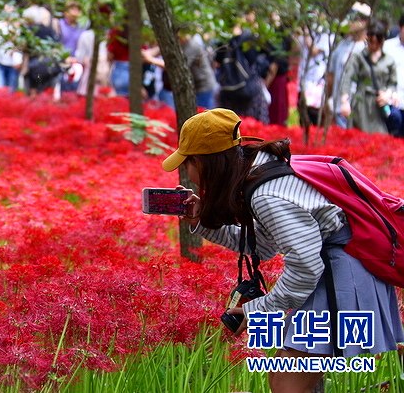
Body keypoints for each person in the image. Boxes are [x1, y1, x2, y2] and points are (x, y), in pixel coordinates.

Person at [163, 108, 404, 393]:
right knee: (289, 380)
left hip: (341, 273)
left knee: (287, 384)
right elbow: (264, 246)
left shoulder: (266, 194)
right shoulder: (258, 171)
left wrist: (257, 310)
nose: (187, 173)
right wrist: (200, 222)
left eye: (187, 163)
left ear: (204, 163)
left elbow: (305, 267)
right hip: (335, 268)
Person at [338, 20, 399, 134]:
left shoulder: (389, 60)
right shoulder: (358, 57)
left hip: (379, 105)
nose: (374, 45)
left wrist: (388, 94)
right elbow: (347, 78)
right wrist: (344, 101)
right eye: (371, 41)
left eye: (377, 42)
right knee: (358, 136)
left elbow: (393, 83)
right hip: (361, 104)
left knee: (380, 137)